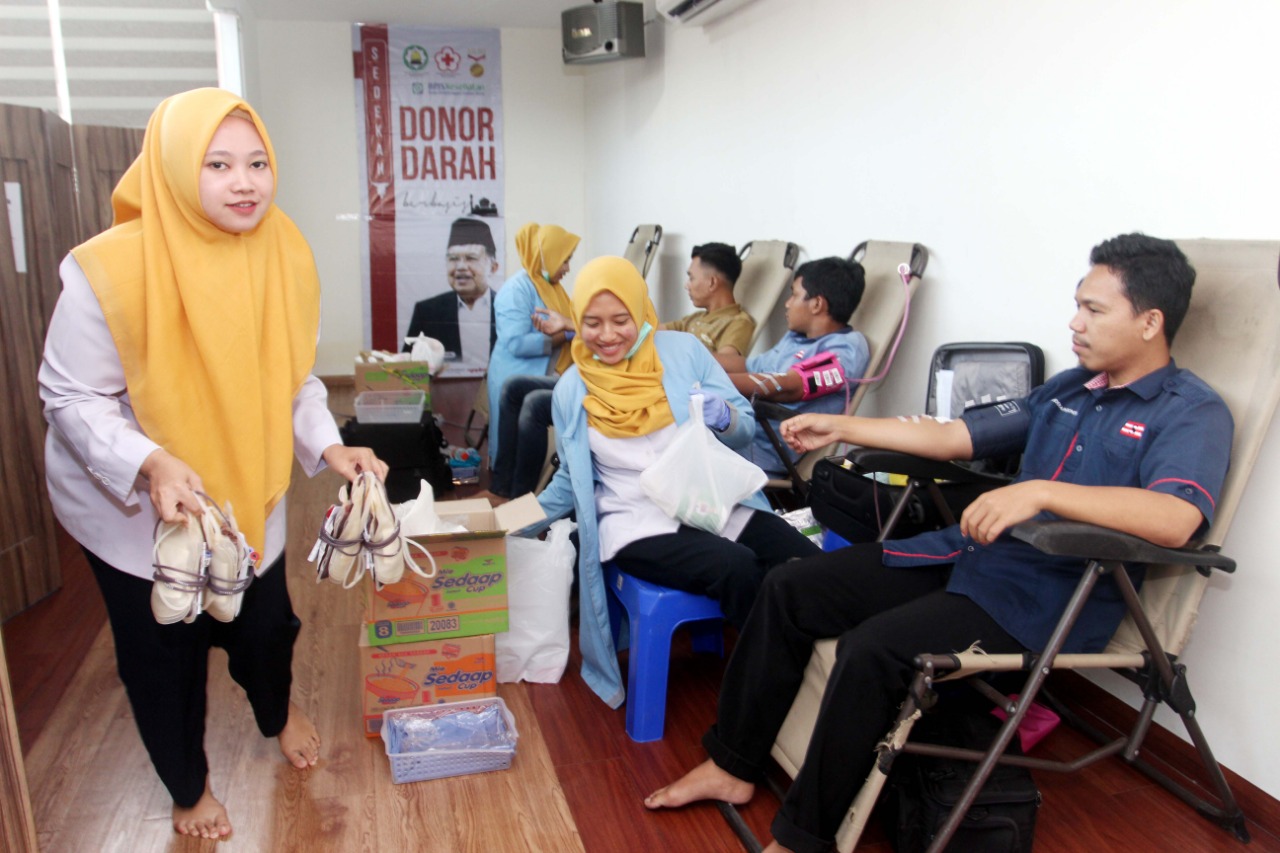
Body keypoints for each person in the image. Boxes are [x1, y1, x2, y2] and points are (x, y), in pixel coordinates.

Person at [644, 234, 1233, 853]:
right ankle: (732, 765)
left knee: (874, 650)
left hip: (1045, 598)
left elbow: (1175, 517)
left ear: (1150, 322)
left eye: (1093, 309)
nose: (1074, 322)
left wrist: (1040, 494)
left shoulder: (1190, 411)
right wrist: (841, 423)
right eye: (1077, 305)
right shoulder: (1068, 390)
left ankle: (802, 838)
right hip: (969, 552)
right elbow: (957, 434)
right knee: (790, 585)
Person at [38, 88, 388, 842]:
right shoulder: (104, 271)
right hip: (136, 510)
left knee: (267, 627)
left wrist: (329, 445)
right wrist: (150, 462)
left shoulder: (284, 250)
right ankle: (187, 786)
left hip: (244, 482)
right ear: (169, 170)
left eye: (258, 162)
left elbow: (291, 376)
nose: (246, 182)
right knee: (167, 651)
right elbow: (69, 396)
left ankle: (275, 706)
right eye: (218, 163)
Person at [536, 256, 820, 708]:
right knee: (737, 566)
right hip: (637, 522)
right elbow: (568, 485)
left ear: (640, 310)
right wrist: (505, 522)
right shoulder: (573, 389)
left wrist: (724, 415)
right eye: (591, 323)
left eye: (620, 320)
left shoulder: (683, 353)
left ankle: (822, 665)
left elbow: (744, 426)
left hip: (704, 501)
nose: (607, 336)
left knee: (801, 556)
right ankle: (775, 694)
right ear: (576, 322)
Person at [716, 256, 870, 475]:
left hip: (764, 448)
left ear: (817, 304)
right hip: (738, 428)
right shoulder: (795, 338)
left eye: (794, 294)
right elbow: (748, 366)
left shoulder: (846, 350)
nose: (788, 303)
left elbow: (791, 386)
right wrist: (691, 354)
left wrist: (708, 382)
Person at [483, 222, 581, 499]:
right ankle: (507, 491)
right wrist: (564, 335)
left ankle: (515, 494)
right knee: (511, 437)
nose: (567, 268)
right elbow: (516, 343)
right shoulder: (517, 289)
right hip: (517, 370)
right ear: (548, 257)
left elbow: (571, 327)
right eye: (565, 260)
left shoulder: (551, 289)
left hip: (547, 372)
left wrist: (568, 330)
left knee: (525, 419)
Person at [403, 216, 500, 375]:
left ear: (493, 267)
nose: (461, 267)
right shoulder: (427, 311)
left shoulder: (506, 309)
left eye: (471, 258)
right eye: (453, 259)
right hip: (443, 395)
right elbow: (408, 367)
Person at [660, 242, 756, 356]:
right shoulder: (695, 319)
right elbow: (653, 332)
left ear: (712, 283)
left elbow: (730, 361)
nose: (687, 286)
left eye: (691, 278)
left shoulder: (738, 322)